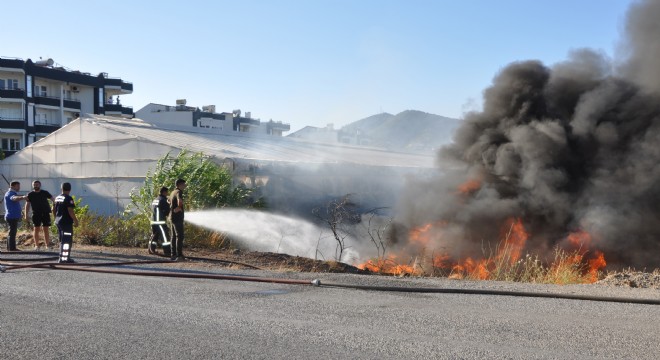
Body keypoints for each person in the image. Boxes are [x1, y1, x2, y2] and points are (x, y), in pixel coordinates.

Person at [52, 182, 79, 263]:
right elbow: (70, 210)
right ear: (70, 189)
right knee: (67, 240)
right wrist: (75, 220)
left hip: (58, 221)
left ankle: (63, 256)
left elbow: (53, 209)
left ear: (61, 188)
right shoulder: (68, 198)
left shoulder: (57, 198)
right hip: (66, 222)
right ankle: (64, 258)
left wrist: (55, 218)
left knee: (62, 240)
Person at [25, 180, 54, 250]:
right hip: (36, 214)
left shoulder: (45, 192)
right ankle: (37, 246)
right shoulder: (30, 194)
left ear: (40, 185)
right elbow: (27, 205)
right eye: (34, 185)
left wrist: (54, 206)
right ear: (33, 186)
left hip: (45, 213)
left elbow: (53, 199)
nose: (36, 186)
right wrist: (26, 215)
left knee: (46, 229)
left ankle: (47, 245)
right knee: (36, 229)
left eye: (37, 184)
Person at [4, 181, 26, 251]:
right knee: (12, 233)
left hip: (12, 215)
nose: (19, 188)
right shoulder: (10, 194)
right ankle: (12, 248)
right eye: (18, 186)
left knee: (12, 232)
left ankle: (10, 247)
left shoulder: (11, 193)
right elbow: (14, 198)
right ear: (13, 186)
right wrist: (23, 197)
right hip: (12, 216)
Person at [149, 186, 171, 256]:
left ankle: (151, 249)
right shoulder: (163, 200)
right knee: (165, 237)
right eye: (167, 192)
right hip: (160, 222)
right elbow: (167, 211)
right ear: (164, 192)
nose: (167, 194)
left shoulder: (155, 199)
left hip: (153, 221)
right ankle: (167, 251)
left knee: (154, 236)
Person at [168, 179, 186, 261]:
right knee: (180, 236)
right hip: (177, 218)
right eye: (183, 184)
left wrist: (173, 208)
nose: (185, 186)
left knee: (173, 236)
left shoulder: (172, 192)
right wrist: (178, 208)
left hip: (172, 217)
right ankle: (179, 256)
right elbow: (179, 200)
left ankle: (173, 254)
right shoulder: (179, 192)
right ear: (179, 185)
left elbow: (168, 200)